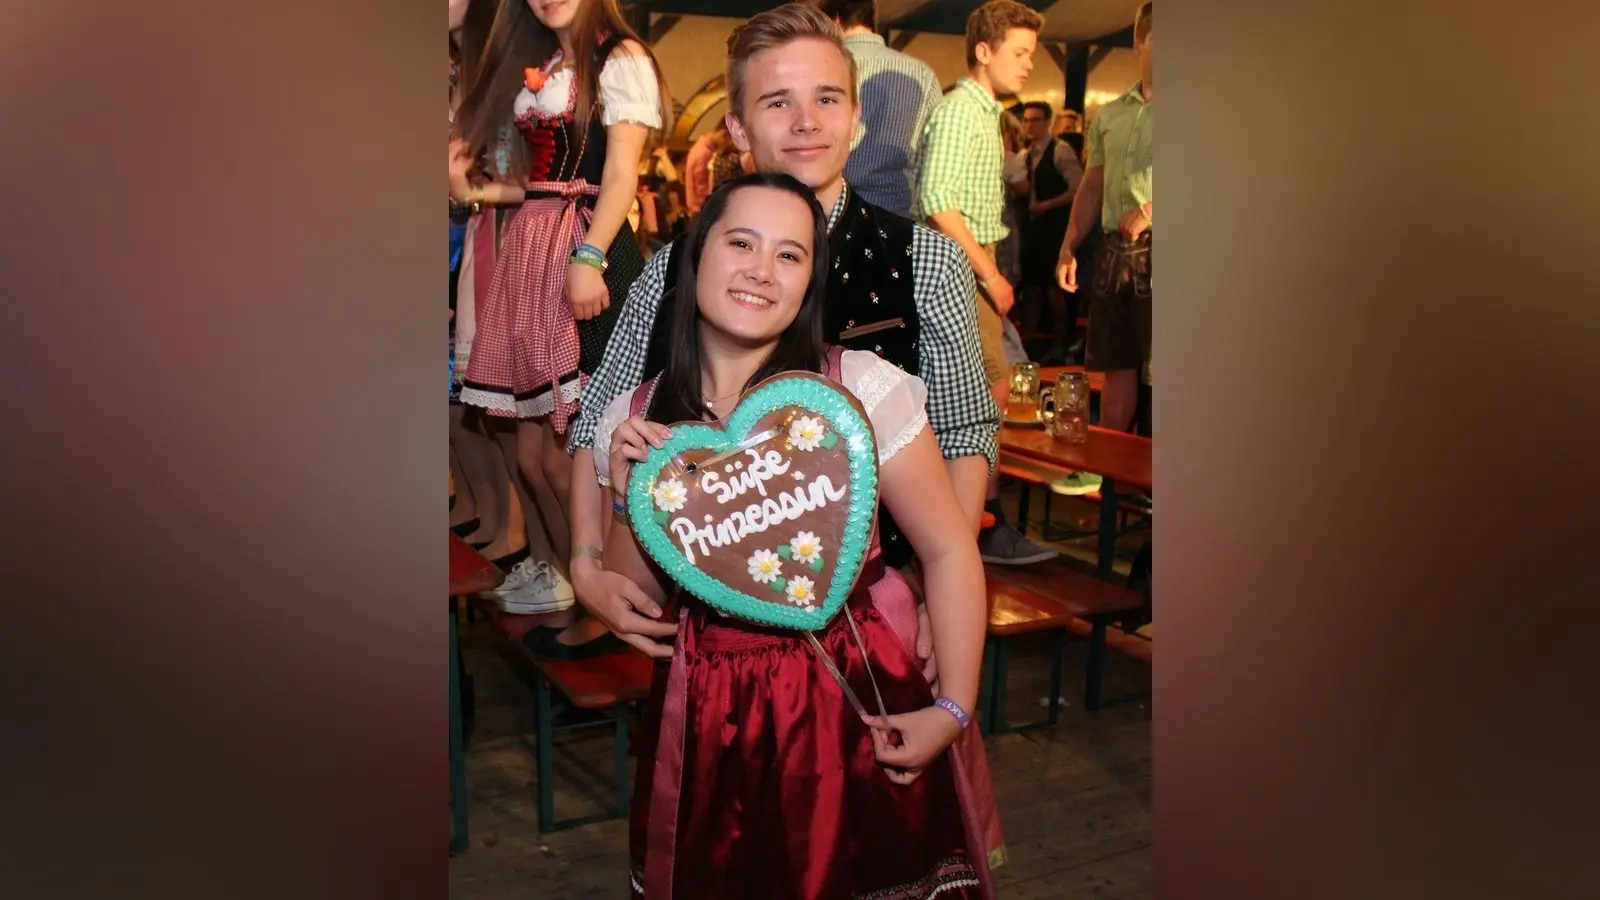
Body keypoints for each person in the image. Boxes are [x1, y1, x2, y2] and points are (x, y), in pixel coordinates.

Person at [565, 3, 1007, 867]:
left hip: (874, 612)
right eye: (777, 102)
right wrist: (586, 561)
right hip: (716, 629)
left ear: (858, 115)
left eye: (826, 98)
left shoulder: (923, 258)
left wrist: (936, 593)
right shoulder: (675, 268)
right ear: (736, 128)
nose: (806, 122)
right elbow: (602, 422)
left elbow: (963, 434)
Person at [600, 172, 993, 900]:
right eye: (740, 243)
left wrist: (954, 708)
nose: (761, 269)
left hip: (854, 695)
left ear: (811, 280)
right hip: (709, 709)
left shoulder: (858, 389)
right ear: (696, 255)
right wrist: (629, 497)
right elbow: (638, 596)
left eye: (789, 255)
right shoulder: (642, 415)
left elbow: (947, 548)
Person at [450, 0, 670, 629]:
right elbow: (540, 181)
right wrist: (480, 192)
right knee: (531, 453)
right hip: (535, 241)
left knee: (572, 451)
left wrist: (590, 256)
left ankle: (603, 594)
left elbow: (620, 175)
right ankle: (563, 576)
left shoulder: (619, 59)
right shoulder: (546, 62)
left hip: (583, 243)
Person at [916, 0, 1057, 566]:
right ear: (983, 50)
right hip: (965, 266)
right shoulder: (961, 112)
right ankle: (976, 527)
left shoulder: (979, 112)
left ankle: (971, 524)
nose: (1028, 64)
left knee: (984, 396)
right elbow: (936, 199)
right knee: (984, 397)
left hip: (970, 262)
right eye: (1019, 52)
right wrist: (990, 272)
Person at [1057, 1, 1153, 457]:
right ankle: (1109, 472)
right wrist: (1068, 245)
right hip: (1115, 252)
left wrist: (1152, 209)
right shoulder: (1112, 114)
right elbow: (1091, 186)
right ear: (1139, 45)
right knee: (1116, 369)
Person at [818, 0, 944, 218]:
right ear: (872, 19)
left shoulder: (822, 67)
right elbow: (935, 157)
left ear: (835, 20)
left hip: (830, 213)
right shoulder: (922, 74)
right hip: (897, 216)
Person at [1018, 100, 1083, 366]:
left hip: (1055, 229)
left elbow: (1078, 189)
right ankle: (1029, 348)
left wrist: (1046, 205)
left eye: (1035, 120)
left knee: (1054, 289)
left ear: (1047, 122)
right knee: (1032, 287)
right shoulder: (1026, 153)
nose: (1029, 125)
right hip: (1032, 230)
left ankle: (1061, 344)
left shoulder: (1060, 150)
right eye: (1025, 120)